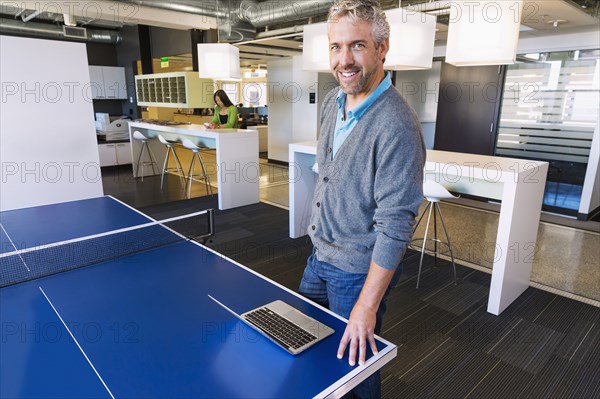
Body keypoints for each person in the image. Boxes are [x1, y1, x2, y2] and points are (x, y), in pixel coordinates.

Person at [298, 0, 425, 398]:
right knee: (307, 342)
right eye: (336, 47)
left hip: (356, 271)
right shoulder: (333, 103)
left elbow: (396, 225)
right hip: (319, 257)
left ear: (381, 48)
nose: (344, 59)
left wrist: (366, 305)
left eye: (356, 45)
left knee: (356, 364)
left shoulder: (397, 125)